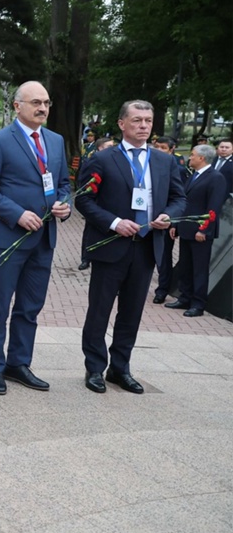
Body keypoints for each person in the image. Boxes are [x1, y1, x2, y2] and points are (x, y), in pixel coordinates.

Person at [75, 101, 185, 393]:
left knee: (132, 311)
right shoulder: (102, 159)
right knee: (100, 310)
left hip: (146, 246)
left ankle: (120, 368)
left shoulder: (165, 161)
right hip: (111, 245)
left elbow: (179, 198)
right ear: (122, 124)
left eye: (148, 120)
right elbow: (84, 200)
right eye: (137, 120)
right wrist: (113, 223)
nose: (144, 126)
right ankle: (95, 368)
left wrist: (168, 215)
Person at [0, 81, 71, 395]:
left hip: (44, 239)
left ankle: (18, 363)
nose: (42, 108)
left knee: (30, 307)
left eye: (46, 102)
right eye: (35, 103)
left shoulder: (55, 141)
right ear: (18, 106)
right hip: (8, 239)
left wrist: (64, 205)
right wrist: (16, 213)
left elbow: (64, 183)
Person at [165, 144, 225, 317]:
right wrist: (175, 224)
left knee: (199, 268)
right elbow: (184, 203)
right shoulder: (193, 176)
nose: (189, 158)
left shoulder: (216, 177)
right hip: (186, 229)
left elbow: (213, 208)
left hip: (200, 232)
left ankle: (198, 303)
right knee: (185, 266)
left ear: (202, 158)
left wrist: (204, 230)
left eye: (192, 155)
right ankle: (185, 297)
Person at [148, 136, 187, 298]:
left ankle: (162, 289)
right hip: (147, 221)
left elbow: (178, 198)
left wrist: (173, 222)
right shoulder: (148, 165)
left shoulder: (179, 169)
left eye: (163, 148)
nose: (159, 150)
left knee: (164, 257)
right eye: (157, 147)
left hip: (165, 221)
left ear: (172, 150)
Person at [77, 137, 116, 271]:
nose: (112, 149)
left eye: (113, 146)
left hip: (108, 205)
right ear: (100, 148)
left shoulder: (116, 161)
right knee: (89, 230)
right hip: (95, 203)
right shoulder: (93, 160)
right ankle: (85, 258)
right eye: (108, 146)